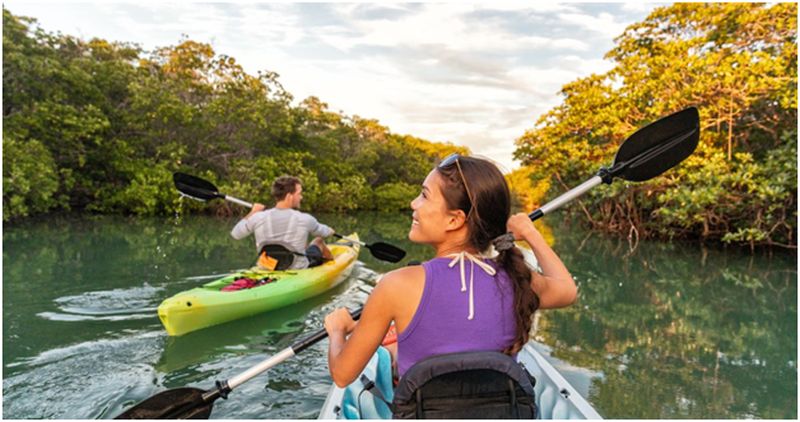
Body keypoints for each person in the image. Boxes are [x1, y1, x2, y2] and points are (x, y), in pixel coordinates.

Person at [324, 154, 577, 387]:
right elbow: (567, 290)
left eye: (424, 195)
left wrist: (337, 331)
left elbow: (343, 375)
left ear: (454, 219)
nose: (413, 204)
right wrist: (531, 234)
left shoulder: (396, 285)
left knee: (392, 352)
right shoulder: (517, 278)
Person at [230, 175, 334, 270]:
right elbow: (325, 232)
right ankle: (333, 267)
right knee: (318, 241)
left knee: (303, 246)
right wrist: (331, 231)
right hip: (296, 269)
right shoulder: (305, 219)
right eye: (299, 193)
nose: (301, 197)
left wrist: (253, 212)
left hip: (267, 267)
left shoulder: (258, 217)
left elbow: (236, 234)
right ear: (289, 196)